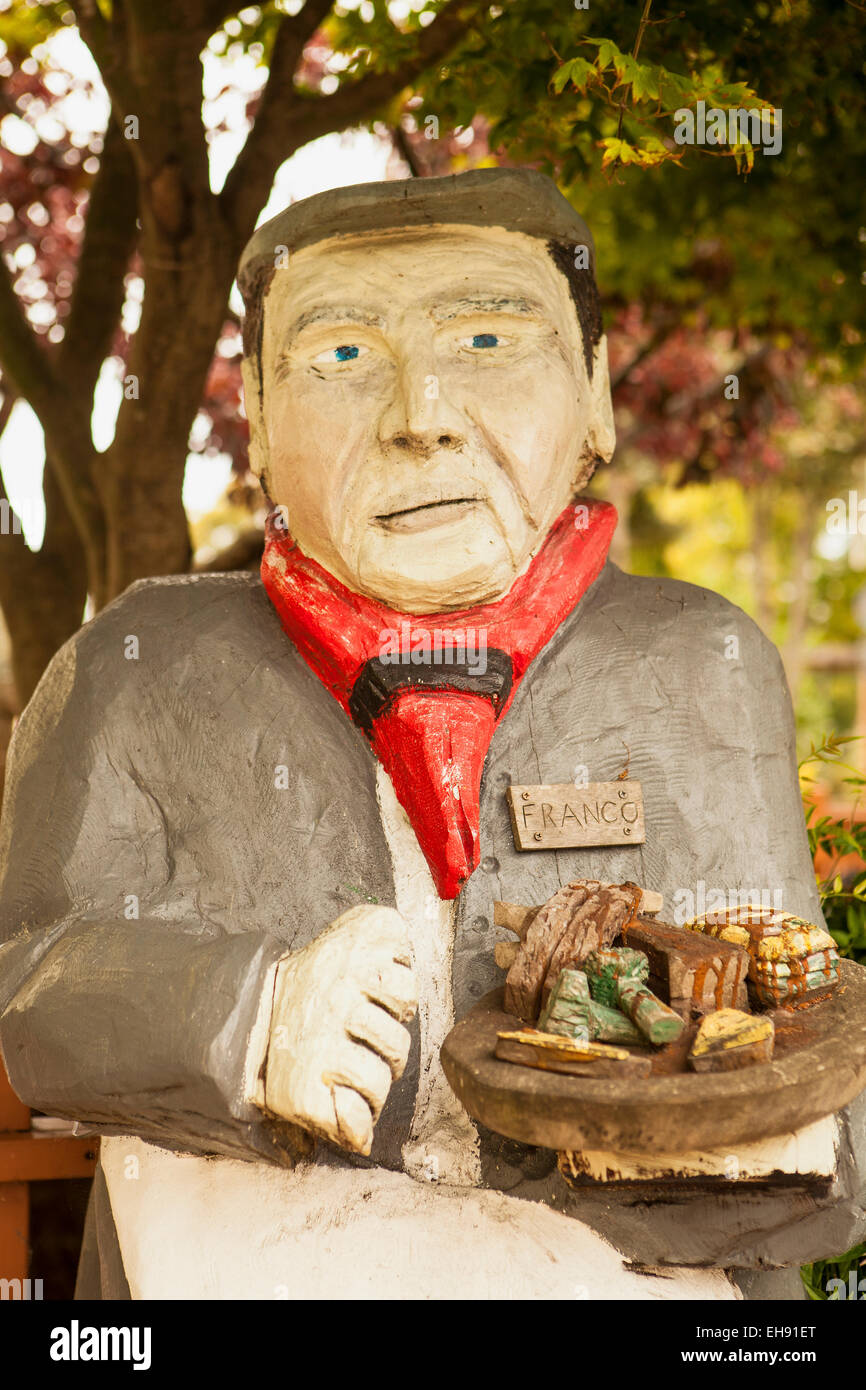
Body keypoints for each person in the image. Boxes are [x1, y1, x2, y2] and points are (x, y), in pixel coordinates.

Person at [0, 169, 852, 1300]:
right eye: (341, 357)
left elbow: (805, 1029)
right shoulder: (136, 664)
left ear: (593, 394)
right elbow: (32, 987)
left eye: (490, 338)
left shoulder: (700, 663)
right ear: (256, 417)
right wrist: (248, 1012)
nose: (421, 415)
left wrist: (770, 1127)